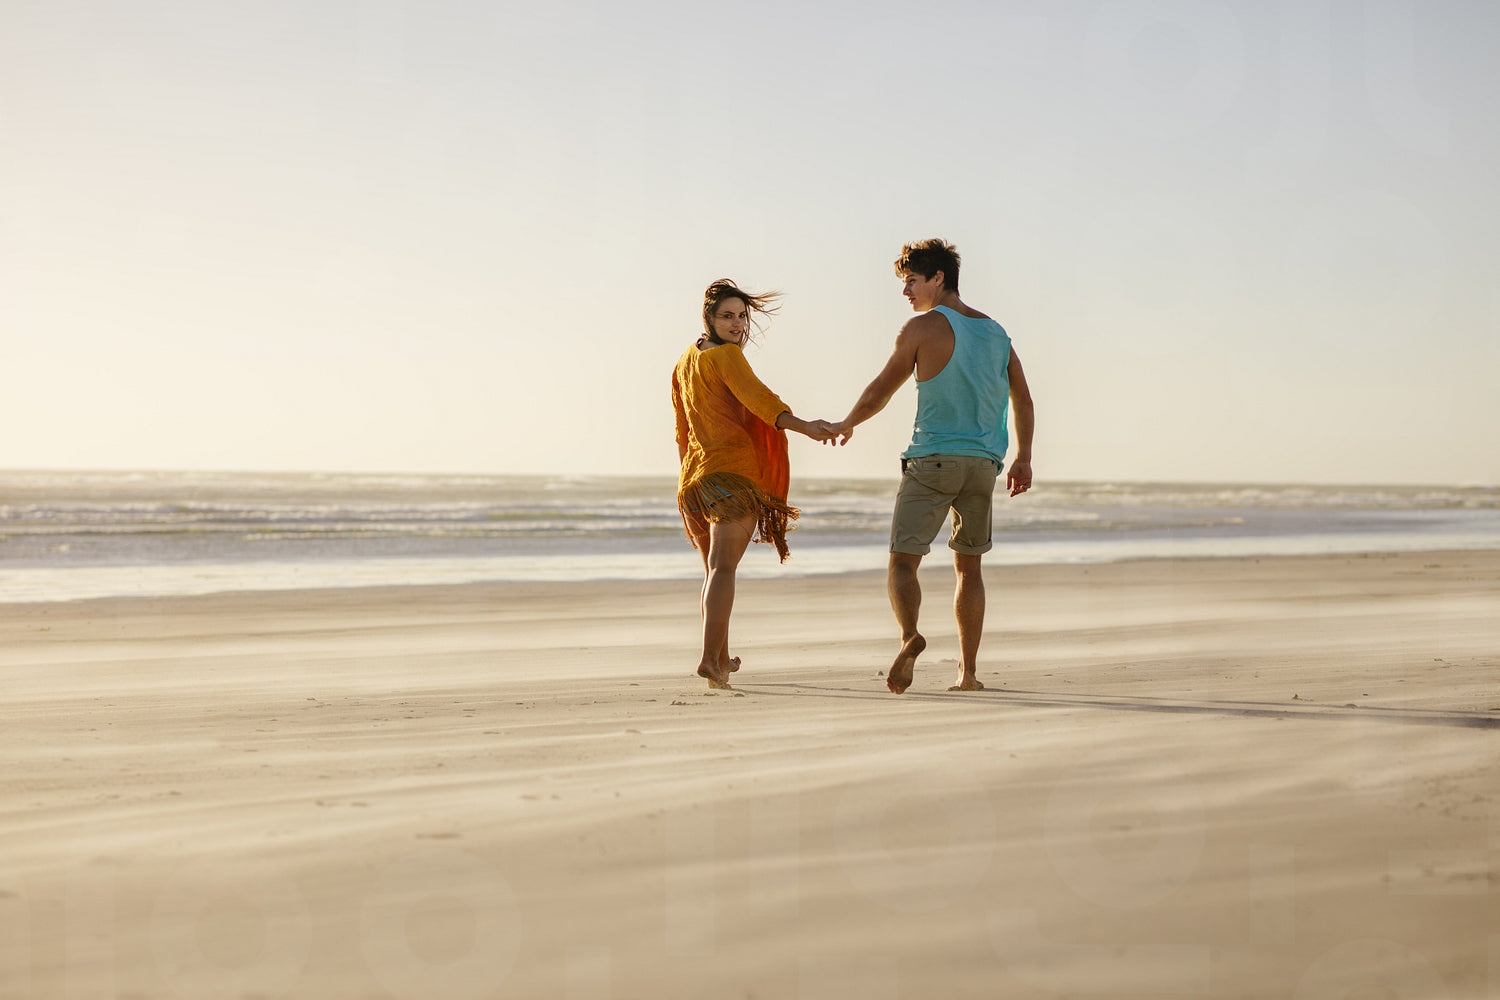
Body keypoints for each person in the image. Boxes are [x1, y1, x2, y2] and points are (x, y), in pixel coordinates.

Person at [827, 239, 1034, 693]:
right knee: (969, 569)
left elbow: (880, 390)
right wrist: (1023, 457)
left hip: (933, 459)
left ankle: (910, 636)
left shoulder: (922, 327)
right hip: (983, 466)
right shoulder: (997, 334)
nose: (906, 291)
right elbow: (1023, 399)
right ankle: (968, 673)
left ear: (938, 278)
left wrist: (847, 423)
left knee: (903, 562)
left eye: (912, 281)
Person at [672, 279, 833, 689]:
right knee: (723, 570)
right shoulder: (727, 357)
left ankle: (721, 660)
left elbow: (682, 431)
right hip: (732, 474)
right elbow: (760, 400)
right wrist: (806, 427)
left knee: (714, 572)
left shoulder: (685, 361)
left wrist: (687, 479)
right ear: (709, 318)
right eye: (727, 316)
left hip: (695, 480)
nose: (737, 324)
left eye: (742, 316)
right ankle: (709, 659)